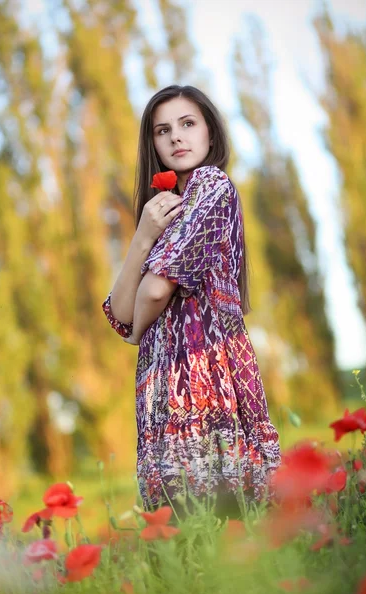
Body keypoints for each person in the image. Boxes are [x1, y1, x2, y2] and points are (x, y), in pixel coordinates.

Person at [102, 85, 281, 519]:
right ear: (153, 145)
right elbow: (120, 310)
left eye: (187, 124)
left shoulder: (211, 185)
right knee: (189, 532)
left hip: (203, 378)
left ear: (210, 134)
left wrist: (137, 332)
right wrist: (143, 234)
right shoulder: (165, 209)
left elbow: (154, 291)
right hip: (166, 384)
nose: (176, 138)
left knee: (215, 520)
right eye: (163, 130)